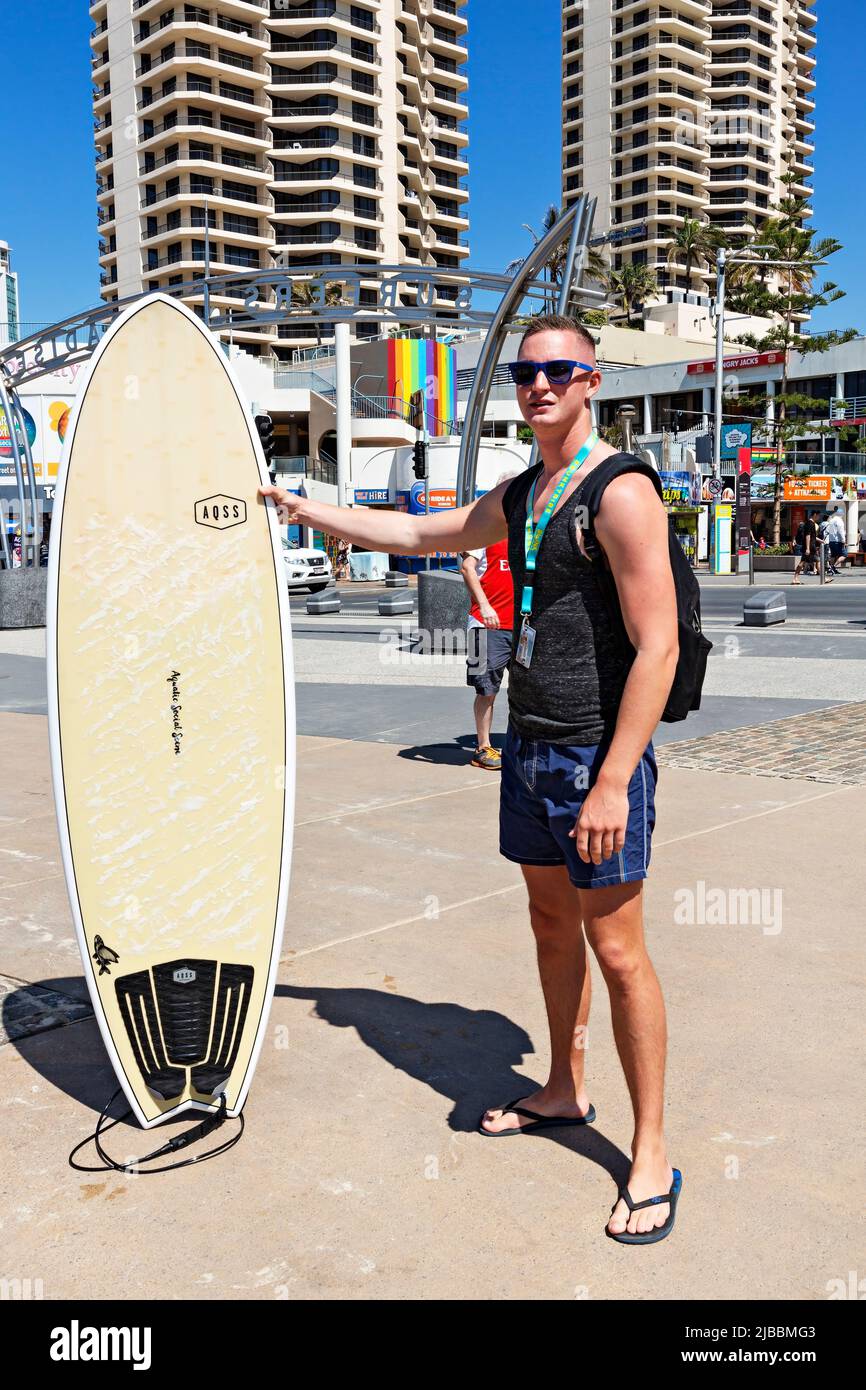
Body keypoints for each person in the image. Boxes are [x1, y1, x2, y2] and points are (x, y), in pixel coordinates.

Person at [259, 313, 681, 1243]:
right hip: (530, 748)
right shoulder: (527, 490)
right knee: (546, 925)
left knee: (619, 953)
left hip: (590, 759)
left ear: (590, 380)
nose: (540, 387)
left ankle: (650, 1151)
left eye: (559, 372)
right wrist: (309, 510)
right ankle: (566, 1087)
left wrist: (614, 782)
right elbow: (427, 532)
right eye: (528, 374)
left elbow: (660, 647)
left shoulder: (619, 493)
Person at [459, 468, 522, 771]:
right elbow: (467, 568)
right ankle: (483, 747)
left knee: (528, 689)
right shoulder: (484, 530)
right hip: (486, 626)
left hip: (521, 626)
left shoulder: (526, 530)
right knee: (487, 689)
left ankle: (522, 743)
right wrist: (484, 606)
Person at [793, 510, 828, 583]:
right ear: (815, 514)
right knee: (803, 562)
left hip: (811, 546)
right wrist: (808, 548)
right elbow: (808, 536)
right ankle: (795, 578)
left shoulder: (810, 523)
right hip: (810, 547)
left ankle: (795, 578)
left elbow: (813, 536)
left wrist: (820, 541)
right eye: (818, 516)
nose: (819, 518)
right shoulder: (810, 523)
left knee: (815, 561)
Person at [823, 508, 847, 573]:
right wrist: (843, 540)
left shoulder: (831, 520)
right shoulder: (839, 521)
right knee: (844, 554)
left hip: (831, 541)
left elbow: (827, 531)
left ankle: (831, 569)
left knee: (833, 555)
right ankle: (833, 567)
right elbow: (841, 531)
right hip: (838, 541)